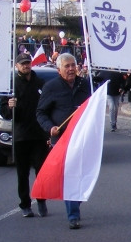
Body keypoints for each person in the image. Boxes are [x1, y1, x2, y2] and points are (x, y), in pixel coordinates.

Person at [36, 53, 91, 229]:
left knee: (83, 176)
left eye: (73, 65)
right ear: (59, 69)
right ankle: (73, 215)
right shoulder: (51, 87)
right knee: (70, 177)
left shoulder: (84, 84)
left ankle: (75, 202)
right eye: (66, 66)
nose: (71, 69)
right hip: (62, 139)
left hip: (82, 138)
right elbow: (41, 112)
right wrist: (50, 127)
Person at [1, 52, 48, 219]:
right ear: (17, 66)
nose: (26, 66)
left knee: (41, 171)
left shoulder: (40, 83)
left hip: (39, 134)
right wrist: (9, 106)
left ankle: (41, 200)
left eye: (28, 63)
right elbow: (4, 112)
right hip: (21, 135)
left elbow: (49, 105)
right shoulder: (11, 86)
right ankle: (25, 204)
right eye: (22, 64)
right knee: (22, 173)